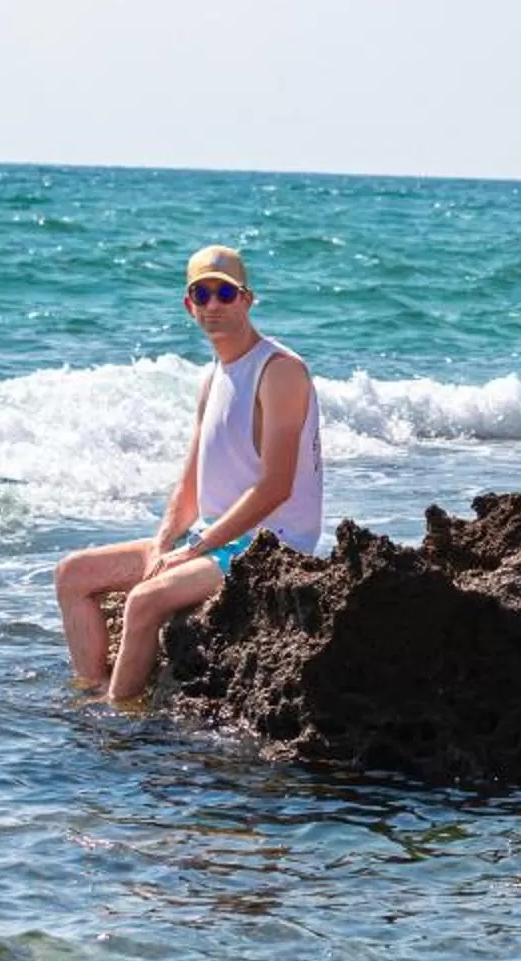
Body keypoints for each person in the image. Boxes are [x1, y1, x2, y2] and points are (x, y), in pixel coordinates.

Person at [57, 244, 325, 703]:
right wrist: (165, 543)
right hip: (213, 538)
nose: (214, 305)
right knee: (72, 575)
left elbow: (276, 486)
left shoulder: (280, 371)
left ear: (247, 298)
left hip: (266, 545)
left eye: (225, 293)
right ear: (189, 305)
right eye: (202, 295)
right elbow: (190, 484)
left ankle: (118, 720)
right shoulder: (213, 376)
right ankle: (93, 694)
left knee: (143, 602)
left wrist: (198, 548)